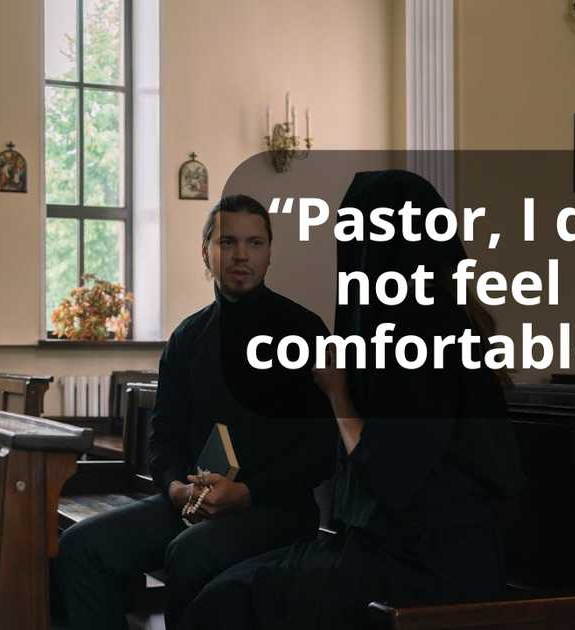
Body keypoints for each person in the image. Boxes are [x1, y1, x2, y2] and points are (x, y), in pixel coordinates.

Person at [184, 170, 525, 630]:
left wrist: (337, 390)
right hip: (388, 546)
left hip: (432, 566)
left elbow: (388, 475)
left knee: (226, 603)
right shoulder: (416, 323)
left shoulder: (429, 334)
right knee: (226, 590)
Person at [55, 194, 335, 630]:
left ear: (270, 252)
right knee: (80, 547)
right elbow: (163, 438)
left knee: (190, 553)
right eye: (227, 242)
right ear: (205, 251)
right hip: (192, 504)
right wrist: (174, 490)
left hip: (275, 510)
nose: (241, 255)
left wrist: (247, 493)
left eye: (254, 243)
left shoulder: (303, 330)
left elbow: (320, 448)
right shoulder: (187, 337)